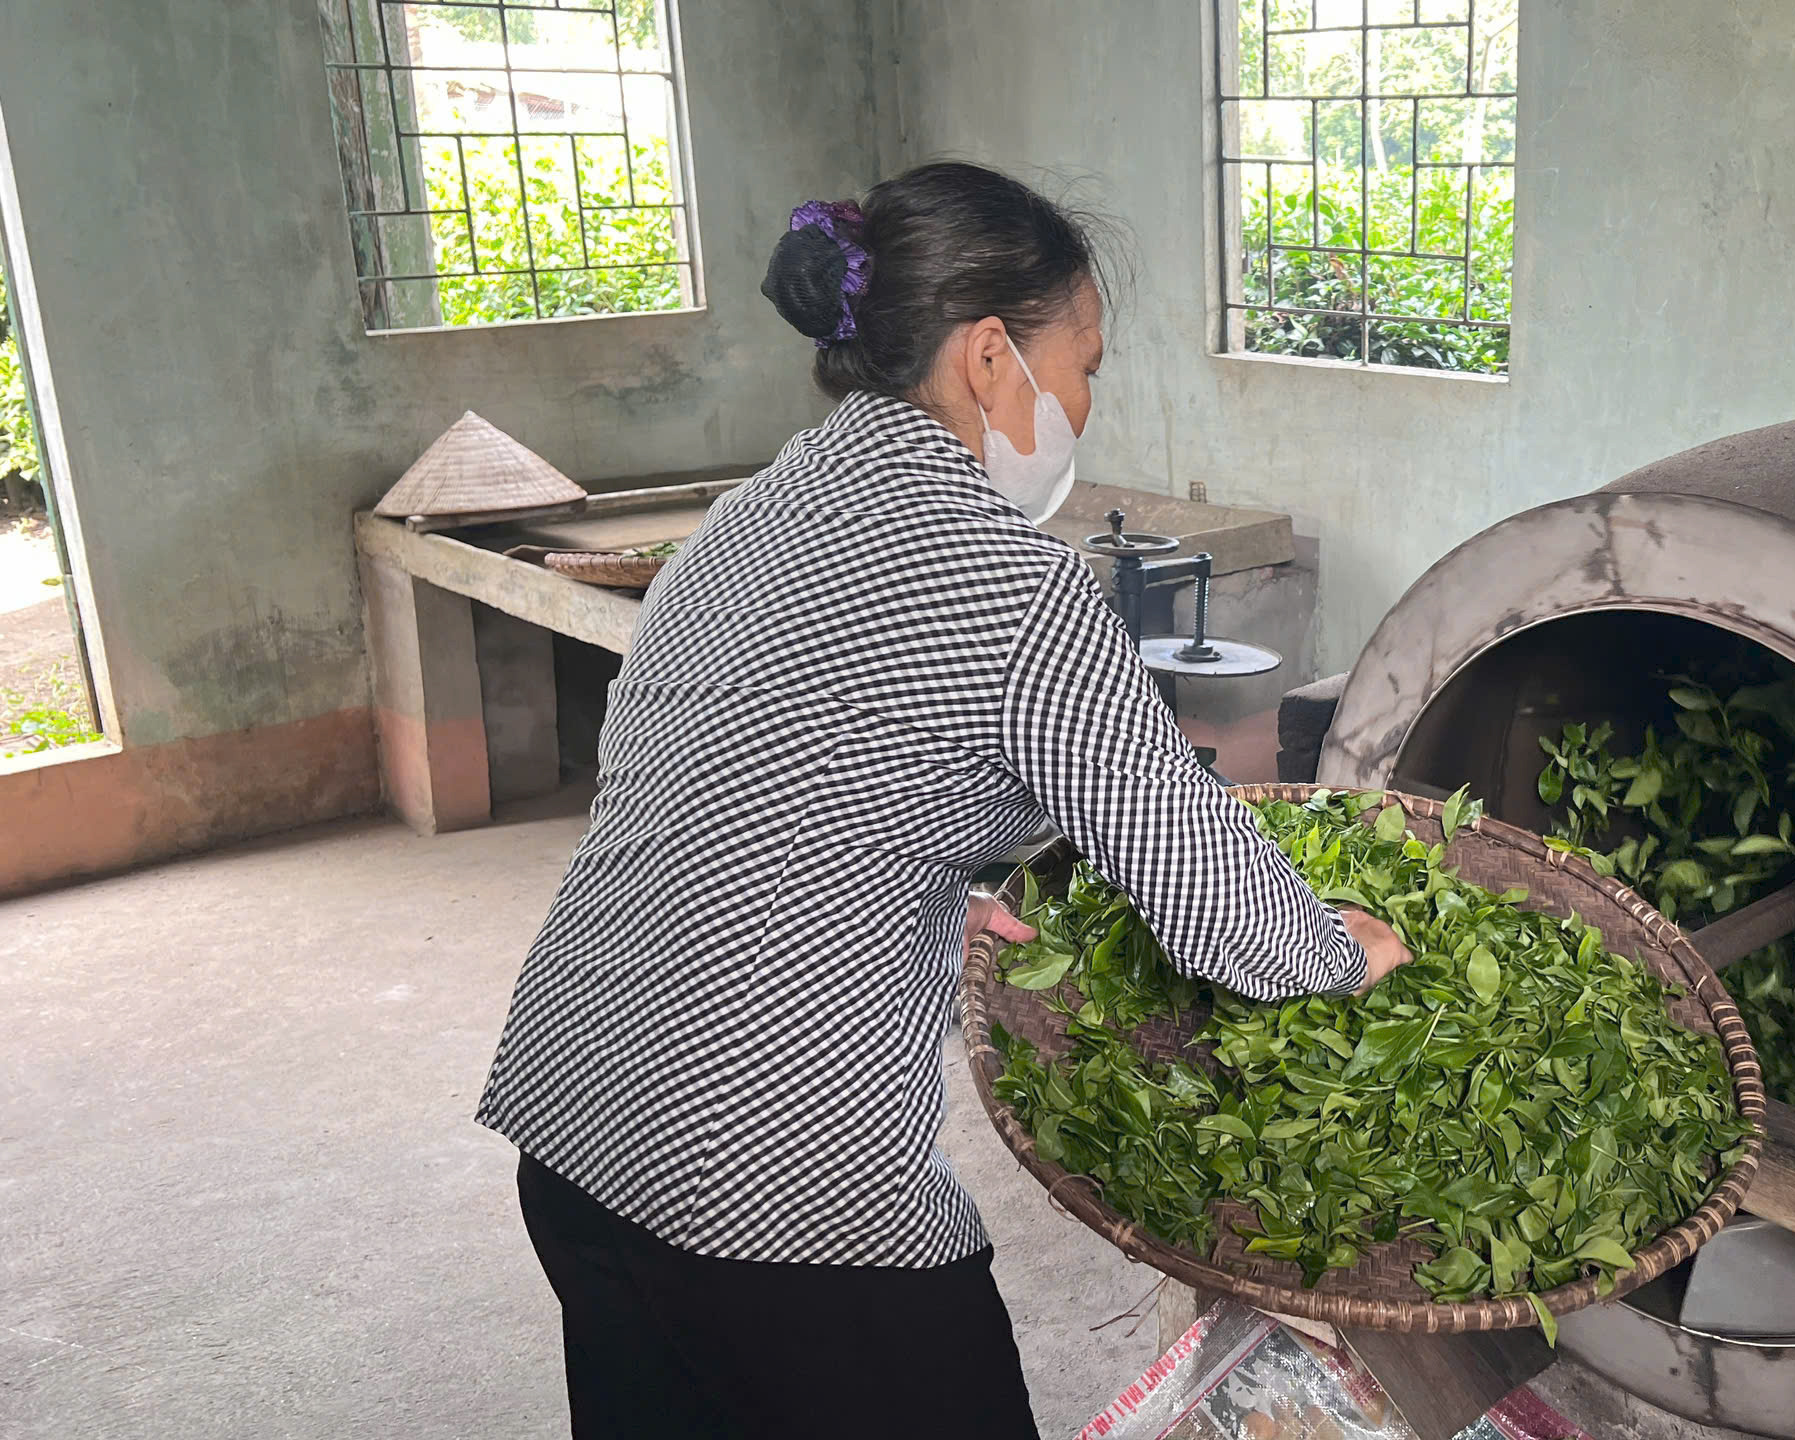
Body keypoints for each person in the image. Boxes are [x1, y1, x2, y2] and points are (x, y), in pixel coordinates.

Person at [474, 161, 1410, 1440]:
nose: (1083, 400)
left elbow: (748, 766)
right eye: (1082, 364)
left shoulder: (746, 515)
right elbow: (1201, 889)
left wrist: (932, 884)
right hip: (764, 1177)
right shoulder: (1012, 582)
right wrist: (1333, 948)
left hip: (571, 1114)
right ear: (986, 358)